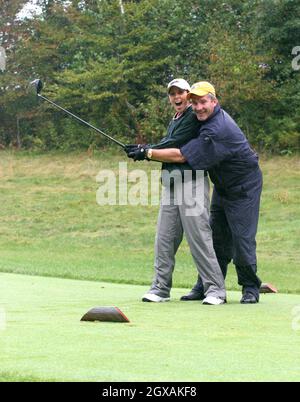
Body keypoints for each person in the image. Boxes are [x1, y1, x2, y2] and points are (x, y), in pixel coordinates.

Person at [127, 81, 263, 304]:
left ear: (214, 101)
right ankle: (203, 286)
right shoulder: (195, 119)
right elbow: (173, 140)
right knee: (217, 236)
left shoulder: (217, 128)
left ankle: (249, 287)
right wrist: (147, 149)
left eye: (203, 103)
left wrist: (148, 152)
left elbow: (182, 155)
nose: (199, 107)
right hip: (222, 185)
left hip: (244, 186)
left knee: (241, 238)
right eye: (195, 103)